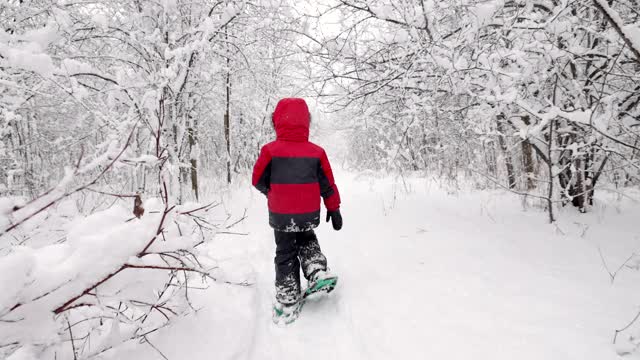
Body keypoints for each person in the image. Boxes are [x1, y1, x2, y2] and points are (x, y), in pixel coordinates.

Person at [252, 98, 342, 320]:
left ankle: (288, 296)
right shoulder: (316, 152)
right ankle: (316, 270)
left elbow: (257, 179)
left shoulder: (270, 151)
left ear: (277, 123)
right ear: (306, 123)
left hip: (281, 214)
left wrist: (271, 191)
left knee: (285, 251)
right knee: (307, 239)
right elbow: (327, 184)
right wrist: (334, 208)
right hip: (308, 212)